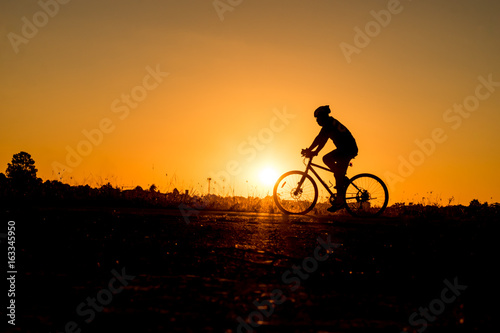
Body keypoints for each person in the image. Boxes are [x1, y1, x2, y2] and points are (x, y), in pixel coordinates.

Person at [302, 105, 358, 212]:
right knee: (331, 164)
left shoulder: (329, 124)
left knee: (328, 161)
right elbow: (320, 139)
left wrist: (313, 151)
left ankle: (340, 200)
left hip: (348, 149)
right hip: (346, 148)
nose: (317, 121)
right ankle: (341, 178)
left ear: (322, 116)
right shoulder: (330, 123)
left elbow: (321, 140)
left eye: (318, 118)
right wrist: (312, 150)